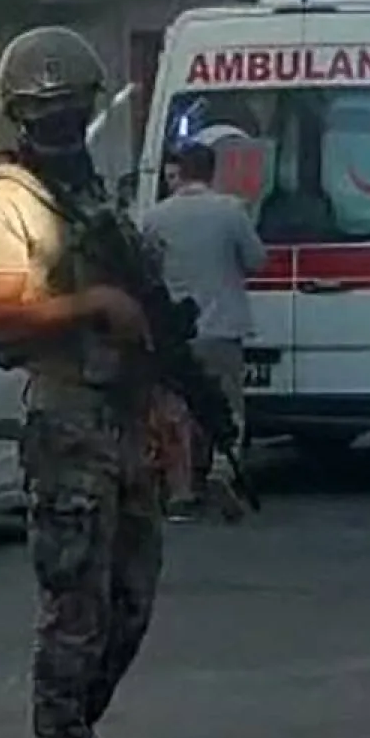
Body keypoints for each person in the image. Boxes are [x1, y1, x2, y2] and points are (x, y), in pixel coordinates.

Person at [0, 25, 161, 738]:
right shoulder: (8, 199)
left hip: (120, 413)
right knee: (75, 602)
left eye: (72, 106)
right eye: (46, 108)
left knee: (129, 600)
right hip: (68, 414)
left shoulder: (87, 189)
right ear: (18, 112)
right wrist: (93, 306)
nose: (61, 120)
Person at [140, 140, 267, 518]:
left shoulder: (155, 217)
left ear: (180, 172)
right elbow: (257, 260)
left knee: (178, 410)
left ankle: (181, 488)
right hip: (222, 325)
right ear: (212, 172)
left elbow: (144, 269)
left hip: (174, 330)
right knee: (227, 404)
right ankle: (222, 471)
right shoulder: (231, 211)